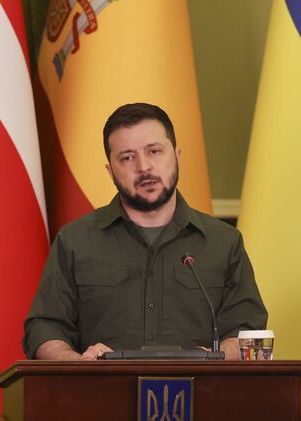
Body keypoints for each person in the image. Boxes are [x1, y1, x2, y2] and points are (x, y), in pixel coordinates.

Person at [23, 103, 267, 361]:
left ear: (177, 157)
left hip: (203, 387)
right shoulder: (74, 241)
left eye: (154, 151)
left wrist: (212, 359)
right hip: (100, 386)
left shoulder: (224, 242)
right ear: (111, 171)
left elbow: (248, 332)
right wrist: (79, 364)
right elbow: (44, 329)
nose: (144, 166)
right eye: (127, 157)